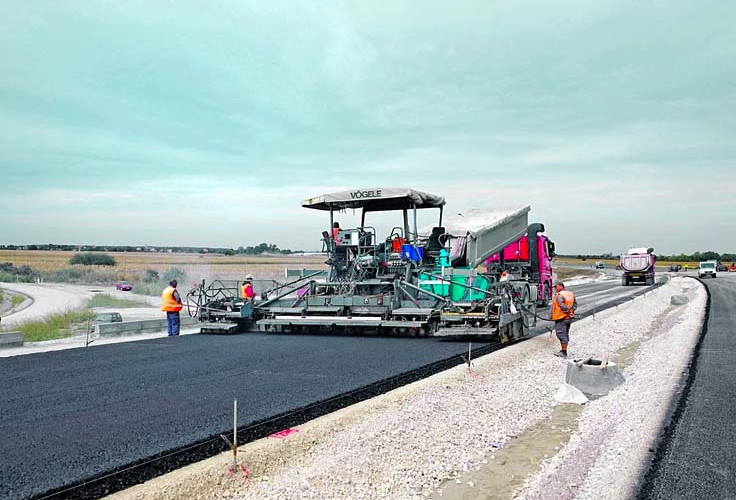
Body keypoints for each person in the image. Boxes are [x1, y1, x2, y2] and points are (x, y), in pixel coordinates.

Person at [551, 281, 577, 358]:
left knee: (561, 334)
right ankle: (564, 349)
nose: (555, 289)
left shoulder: (560, 295)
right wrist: (571, 310)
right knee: (565, 334)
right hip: (568, 318)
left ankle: (563, 352)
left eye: (556, 287)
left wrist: (568, 311)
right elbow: (575, 304)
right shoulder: (570, 294)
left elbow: (561, 305)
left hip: (561, 318)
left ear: (560, 286)